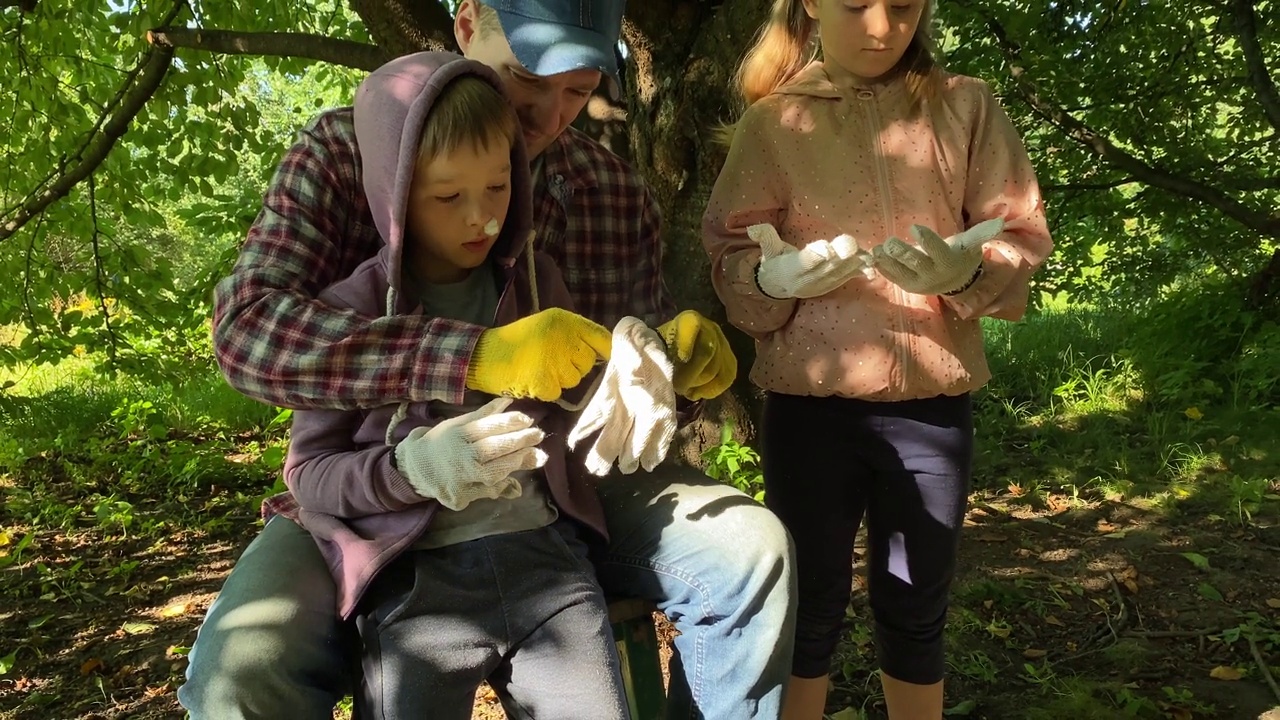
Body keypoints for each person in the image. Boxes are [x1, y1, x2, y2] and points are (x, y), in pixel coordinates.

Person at [178, 1, 797, 718]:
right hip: (367, 490)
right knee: (242, 672)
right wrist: (471, 357)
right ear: (468, 23)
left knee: (752, 552)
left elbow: (619, 387)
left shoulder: (609, 188)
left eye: (578, 89)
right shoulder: (346, 151)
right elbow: (250, 335)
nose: (548, 115)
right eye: (527, 79)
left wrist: (668, 363)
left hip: (563, 480)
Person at [701, 1, 1054, 718]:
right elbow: (730, 248)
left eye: (902, 6)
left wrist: (965, 274)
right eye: (856, 4)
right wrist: (770, 278)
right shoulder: (776, 122)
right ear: (811, 4)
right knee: (806, 603)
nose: (880, 26)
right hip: (809, 410)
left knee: (917, 598)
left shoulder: (967, 106)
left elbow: (1018, 231)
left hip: (931, 405)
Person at [281, 52, 629, 718]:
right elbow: (310, 473)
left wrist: (633, 361)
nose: (481, 219)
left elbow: (580, 403)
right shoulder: (350, 312)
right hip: (418, 581)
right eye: (448, 197)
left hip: (547, 567)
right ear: (395, 193)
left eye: (499, 188)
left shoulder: (535, 285)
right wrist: (411, 469)